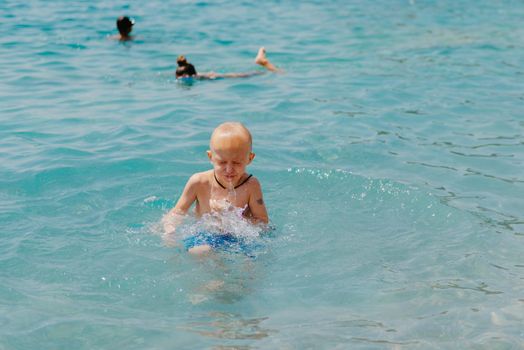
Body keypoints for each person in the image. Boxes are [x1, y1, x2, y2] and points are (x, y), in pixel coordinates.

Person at [162, 122, 269, 254]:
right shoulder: (199, 182)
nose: (229, 169)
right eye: (222, 162)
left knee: (253, 259)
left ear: (250, 158)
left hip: (238, 237)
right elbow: (177, 212)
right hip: (206, 234)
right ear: (210, 157)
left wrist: (233, 218)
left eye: (236, 162)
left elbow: (262, 222)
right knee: (200, 252)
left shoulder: (251, 185)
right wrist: (170, 230)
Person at [175, 47, 281, 80]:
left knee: (248, 75)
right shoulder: (192, 75)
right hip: (215, 75)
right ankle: (264, 64)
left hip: (218, 76)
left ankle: (264, 63)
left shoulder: (190, 77)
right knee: (250, 74)